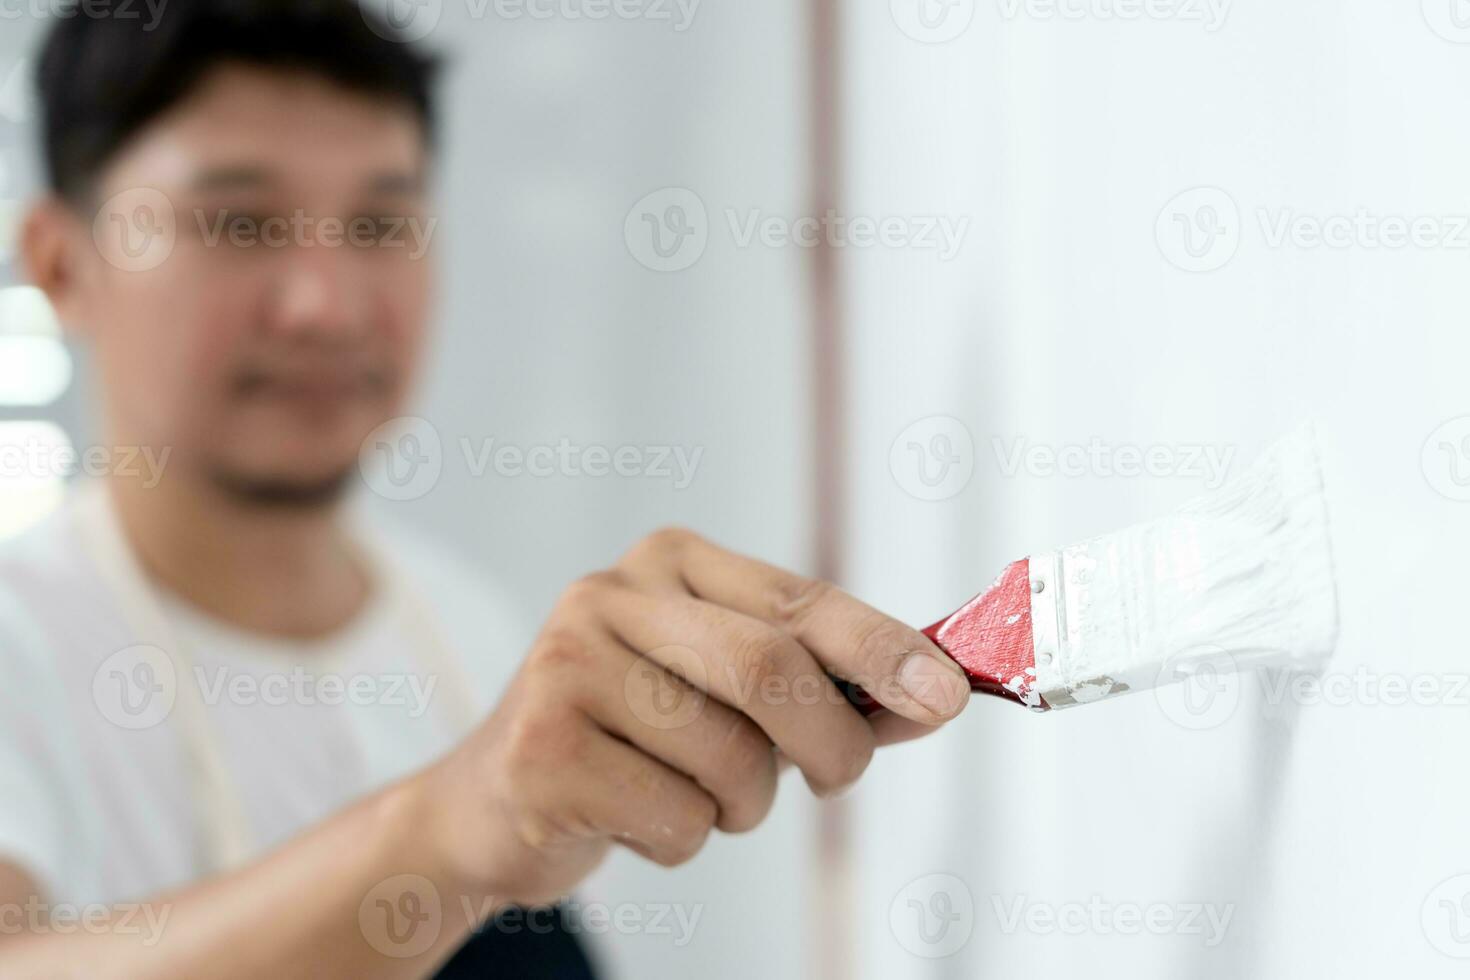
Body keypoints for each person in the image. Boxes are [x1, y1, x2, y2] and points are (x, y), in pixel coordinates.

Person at [0, 3, 972, 976]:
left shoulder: (465, 627)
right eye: (240, 222)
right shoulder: (25, 644)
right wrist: (456, 824)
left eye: (380, 222)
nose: (325, 305)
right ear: (59, 264)